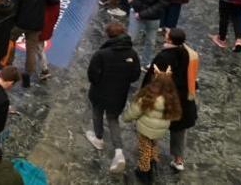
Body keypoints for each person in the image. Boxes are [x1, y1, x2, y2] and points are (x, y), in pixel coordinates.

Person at [85, 22, 141, 174]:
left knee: (97, 113)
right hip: (119, 94)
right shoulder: (132, 53)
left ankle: (98, 138)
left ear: (108, 35)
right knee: (113, 119)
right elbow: (135, 75)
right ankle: (119, 152)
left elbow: (92, 75)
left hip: (99, 92)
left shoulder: (101, 54)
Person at [142, 28, 199, 173]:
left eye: (167, 35)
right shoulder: (190, 54)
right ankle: (178, 160)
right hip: (184, 102)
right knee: (179, 130)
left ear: (169, 40)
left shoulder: (164, 57)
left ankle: (151, 156)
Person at [122, 69, 183, 184]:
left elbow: (135, 111)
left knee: (144, 148)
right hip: (159, 131)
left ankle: (143, 171)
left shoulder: (148, 97)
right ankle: (153, 159)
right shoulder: (171, 98)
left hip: (145, 129)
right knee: (154, 144)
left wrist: (126, 118)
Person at [7, 0, 59, 86]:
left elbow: (13, 10)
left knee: (10, 41)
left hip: (19, 23)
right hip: (35, 25)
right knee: (31, 51)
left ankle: (8, 66)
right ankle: (27, 75)